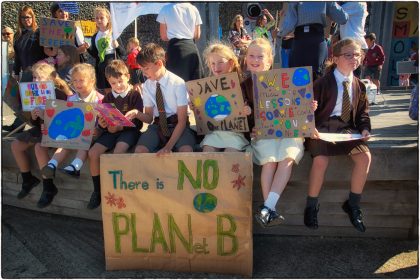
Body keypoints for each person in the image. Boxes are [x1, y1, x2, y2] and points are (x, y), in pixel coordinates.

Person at [241, 38, 317, 226]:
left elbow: (295, 103)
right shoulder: (243, 86)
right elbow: (240, 119)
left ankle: (267, 207)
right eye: (251, 55)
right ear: (246, 59)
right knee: (269, 162)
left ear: (269, 60)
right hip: (263, 133)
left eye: (260, 56)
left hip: (288, 131)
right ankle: (270, 209)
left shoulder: (283, 79)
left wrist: (308, 106)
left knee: (288, 157)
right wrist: (248, 116)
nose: (255, 59)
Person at [304, 38, 371, 232]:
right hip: (321, 128)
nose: (353, 59)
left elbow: (362, 113)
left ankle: (353, 204)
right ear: (335, 58)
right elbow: (306, 111)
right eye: (348, 55)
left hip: (346, 129)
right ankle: (311, 206)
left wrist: (365, 129)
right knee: (320, 161)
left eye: (357, 55)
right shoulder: (322, 83)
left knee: (365, 157)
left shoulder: (359, 85)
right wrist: (310, 121)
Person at [35, 63, 103, 208]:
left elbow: (102, 121)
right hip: (73, 133)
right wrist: (45, 120)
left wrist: (98, 128)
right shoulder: (71, 100)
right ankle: (52, 165)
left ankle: (75, 166)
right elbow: (64, 118)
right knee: (64, 142)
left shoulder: (99, 99)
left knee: (83, 141)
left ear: (92, 80)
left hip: (92, 135)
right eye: (75, 80)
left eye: (81, 80)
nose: (77, 84)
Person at [87, 60, 148, 209]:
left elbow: (138, 123)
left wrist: (119, 127)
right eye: (113, 83)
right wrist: (102, 124)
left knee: (118, 152)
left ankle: (118, 190)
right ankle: (97, 190)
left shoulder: (135, 95)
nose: (118, 86)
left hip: (129, 132)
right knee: (93, 153)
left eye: (120, 81)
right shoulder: (107, 98)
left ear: (128, 77)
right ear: (109, 82)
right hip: (111, 131)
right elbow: (103, 120)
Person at [11, 62, 71, 203]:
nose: (36, 81)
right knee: (15, 145)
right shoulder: (33, 93)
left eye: (40, 78)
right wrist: (33, 116)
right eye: (34, 77)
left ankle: (48, 186)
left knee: (39, 147)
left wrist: (46, 116)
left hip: (55, 131)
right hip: (41, 129)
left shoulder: (59, 94)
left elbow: (62, 122)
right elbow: (33, 123)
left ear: (50, 79)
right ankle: (27, 179)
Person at [134, 43, 196, 155]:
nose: (143, 73)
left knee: (186, 151)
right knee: (139, 151)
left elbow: (182, 122)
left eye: (146, 68)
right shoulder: (147, 85)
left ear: (159, 63)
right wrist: (136, 113)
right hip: (158, 126)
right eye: (141, 69)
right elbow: (149, 118)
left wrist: (168, 147)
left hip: (178, 125)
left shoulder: (178, 83)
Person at [199, 43, 251, 152]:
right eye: (212, 63)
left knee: (230, 153)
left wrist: (247, 110)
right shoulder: (207, 87)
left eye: (220, 62)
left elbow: (250, 108)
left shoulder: (241, 83)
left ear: (231, 63)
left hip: (236, 133)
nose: (216, 67)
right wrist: (197, 106)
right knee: (208, 151)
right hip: (216, 132)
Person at [279, 2, 348, 80]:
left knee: (297, 77)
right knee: (318, 76)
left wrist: (280, 33)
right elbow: (343, 18)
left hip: (300, 41)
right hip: (317, 41)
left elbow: (289, 24)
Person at [157, 2, 204, 82]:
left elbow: (163, 36)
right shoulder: (194, 9)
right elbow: (197, 35)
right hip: (191, 49)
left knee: (175, 83)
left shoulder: (165, 9)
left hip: (174, 50)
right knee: (196, 84)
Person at [87, 7, 125, 92]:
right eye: (97, 18)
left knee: (117, 88)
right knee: (107, 91)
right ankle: (109, 105)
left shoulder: (114, 33)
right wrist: (88, 48)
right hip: (101, 65)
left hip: (113, 64)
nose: (99, 20)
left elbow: (123, 53)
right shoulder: (94, 37)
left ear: (108, 19)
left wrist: (117, 46)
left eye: (102, 18)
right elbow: (95, 54)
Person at [13, 6, 47, 82]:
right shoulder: (18, 35)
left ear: (32, 17)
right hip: (26, 74)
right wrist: (16, 72)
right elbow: (17, 56)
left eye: (28, 17)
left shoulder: (40, 32)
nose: (25, 20)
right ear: (20, 19)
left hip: (40, 74)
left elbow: (48, 53)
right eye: (23, 17)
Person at [339, 1, 368, 78]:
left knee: (350, 76)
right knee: (350, 76)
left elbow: (337, 13)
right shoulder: (358, 4)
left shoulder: (354, 4)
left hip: (353, 45)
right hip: (355, 44)